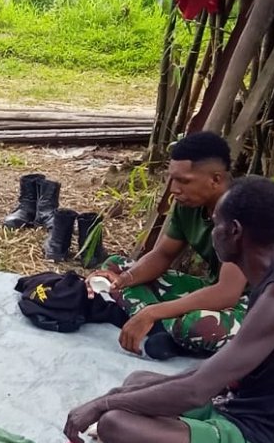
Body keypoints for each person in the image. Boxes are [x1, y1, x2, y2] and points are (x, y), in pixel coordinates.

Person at [64, 176, 274, 443]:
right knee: (136, 382)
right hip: (239, 407)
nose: (212, 232)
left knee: (115, 425)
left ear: (234, 232)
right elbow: (215, 374)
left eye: (215, 223)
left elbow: (196, 390)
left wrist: (104, 404)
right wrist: (119, 396)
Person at [86, 132, 247, 359]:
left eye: (184, 180)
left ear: (216, 180)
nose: (174, 189)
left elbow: (227, 293)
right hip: (213, 289)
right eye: (172, 178)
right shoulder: (189, 205)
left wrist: (153, 311)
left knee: (198, 325)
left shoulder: (243, 213)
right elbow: (162, 254)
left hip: (255, 306)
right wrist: (125, 279)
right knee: (115, 268)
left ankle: (160, 326)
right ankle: (167, 331)